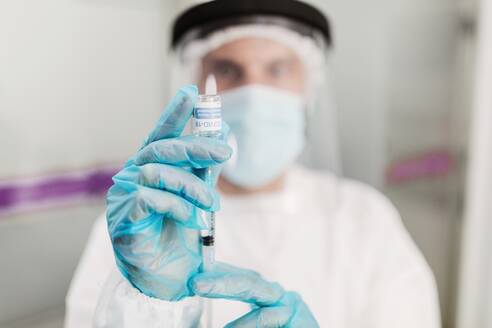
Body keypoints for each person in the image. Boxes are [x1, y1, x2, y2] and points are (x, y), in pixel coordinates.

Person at [65, 0, 441, 327]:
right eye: (228, 70)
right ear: (193, 84)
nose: (255, 92)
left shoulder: (364, 219)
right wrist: (148, 303)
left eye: (277, 69)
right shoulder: (143, 226)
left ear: (308, 87)